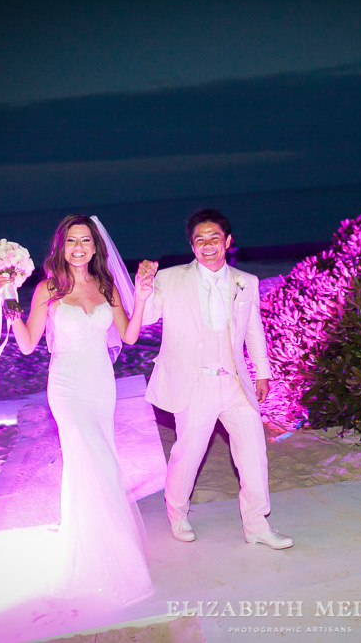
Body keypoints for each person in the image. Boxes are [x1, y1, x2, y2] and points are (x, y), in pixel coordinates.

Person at [0, 213, 158, 602]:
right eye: (72, 241)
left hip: (101, 387)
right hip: (67, 390)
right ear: (61, 246)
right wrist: (8, 308)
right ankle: (110, 560)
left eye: (85, 240)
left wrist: (141, 296)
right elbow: (28, 344)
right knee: (95, 460)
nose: (79, 247)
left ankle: (98, 549)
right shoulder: (48, 289)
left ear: (95, 246)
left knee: (94, 465)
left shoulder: (106, 287)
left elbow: (130, 337)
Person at [138, 209, 293, 550]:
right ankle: (177, 513)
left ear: (228, 241)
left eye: (214, 238)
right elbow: (146, 319)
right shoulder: (170, 278)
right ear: (191, 245)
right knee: (187, 454)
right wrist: (143, 290)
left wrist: (263, 373)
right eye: (200, 240)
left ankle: (257, 526)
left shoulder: (245, 281)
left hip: (235, 384)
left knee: (254, 454)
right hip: (194, 386)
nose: (208, 246)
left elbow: (254, 332)